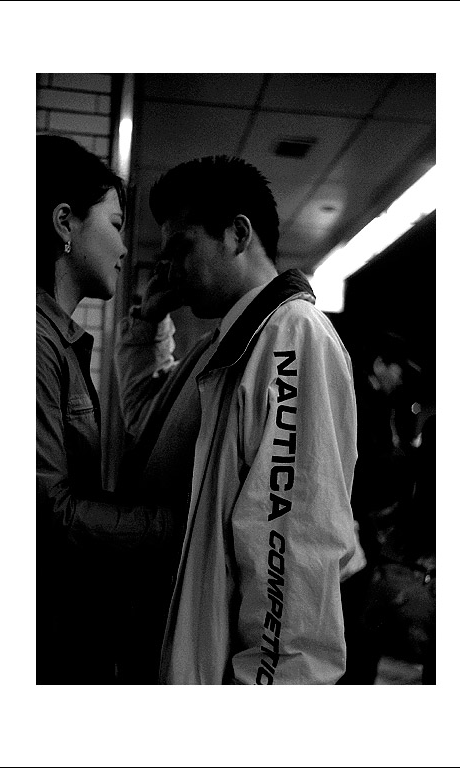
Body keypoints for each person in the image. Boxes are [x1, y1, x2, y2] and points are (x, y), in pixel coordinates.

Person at [115, 155, 359, 684]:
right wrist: (149, 321)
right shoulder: (223, 345)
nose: (171, 270)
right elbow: (145, 418)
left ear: (238, 234)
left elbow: (295, 548)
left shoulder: (292, 337)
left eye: (183, 248)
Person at [36, 135, 176, 684]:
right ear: (64, 223)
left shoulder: (57, 338)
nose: (123, 247)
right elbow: (49, 514)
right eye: (115, 225)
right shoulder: (32, 341)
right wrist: (181, 525)